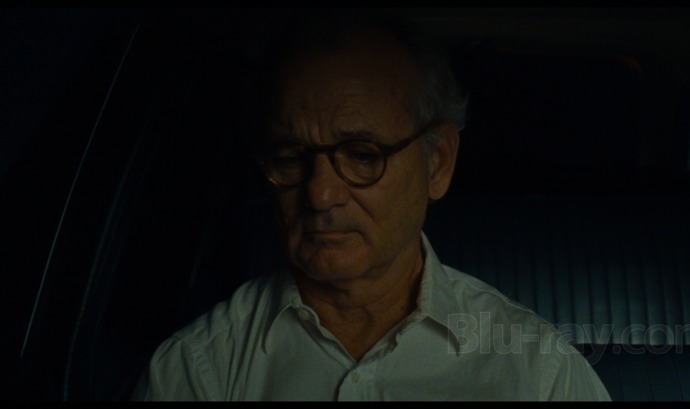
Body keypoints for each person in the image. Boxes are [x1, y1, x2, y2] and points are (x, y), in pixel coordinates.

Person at [131, 9, 611, 401]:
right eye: (291, 157)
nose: (319, 194)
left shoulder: (538, 371)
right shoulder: (197, 371)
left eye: (362, 156)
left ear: (437, 163)